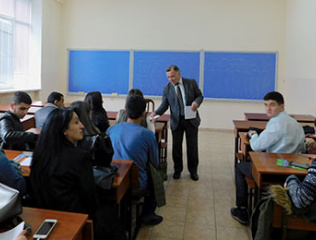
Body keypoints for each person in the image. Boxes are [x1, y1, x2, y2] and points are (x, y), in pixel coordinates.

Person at [30, 108, 127, 240]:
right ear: (64, 130)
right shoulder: (79, 157)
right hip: (77, 217)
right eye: (76, 123)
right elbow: (90, 197)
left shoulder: (39, 154)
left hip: (46, 215)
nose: (82, 125)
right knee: (111, 215)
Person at [231, 91, 305, 225]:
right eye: (266, 105)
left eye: (272, 105)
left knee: (240, 167)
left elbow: (257, 146)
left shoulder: (276, 123)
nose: (268, 108)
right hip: (293, 170)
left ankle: (242, 209)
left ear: (282, 106)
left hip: (274, 170)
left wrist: (253, 134)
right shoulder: (295, 123)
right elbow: (302, 147)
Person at [107, 95, 163, 225]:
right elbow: (155, 162)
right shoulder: (147, 134)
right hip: (136, 185)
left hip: (113, 181)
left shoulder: (111, 129)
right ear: (144, 113)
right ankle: (148, 214)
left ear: (125, 111)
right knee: (155, 176)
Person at [150, 65, 203, 181]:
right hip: (176, 121)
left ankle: (193, 171)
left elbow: (200, 96)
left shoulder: (191, 83)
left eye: (172, 76)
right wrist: (156, 113)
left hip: (191, 119)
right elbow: (165, 105)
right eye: (168, 77)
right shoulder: (167, 88)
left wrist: (196, 102)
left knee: (192, 147)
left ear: (179, 74)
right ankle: (177, 170)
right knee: (176, 148)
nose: (171, 79)